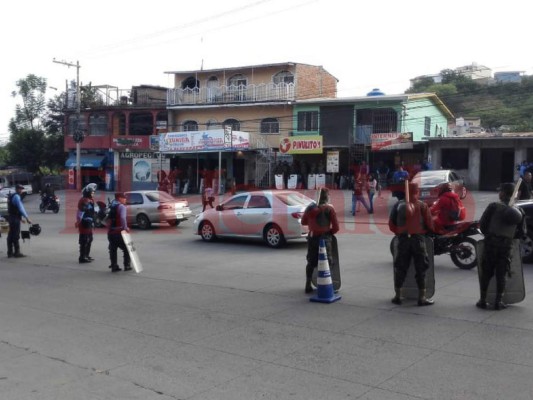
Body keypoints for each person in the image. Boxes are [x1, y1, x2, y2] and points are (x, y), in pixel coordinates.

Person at [477, 183, 526, 310]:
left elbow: (482, 224)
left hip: (491, 243)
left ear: (503, 193)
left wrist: (489, 235)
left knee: (486, 272)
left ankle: (483, 300)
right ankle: (498, 301)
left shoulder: (493, 206)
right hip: (506, 246)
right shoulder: (519, 211)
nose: (499, 193)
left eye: (500, 191)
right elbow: (522, 232)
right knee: (502, 273)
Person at [389, 182, 435, 306]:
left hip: (403, 240)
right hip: (418, 240)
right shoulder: (422, 206)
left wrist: (400, 233)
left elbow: (391, 224)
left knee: (401, 268)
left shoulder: (398, 205)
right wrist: (424, 231)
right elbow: (430, 224)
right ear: (417, 192)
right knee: (421, 269)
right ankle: (422, 297)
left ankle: (398, 296)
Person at [301, 188, 339, 294]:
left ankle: (308, 284)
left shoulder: (310, 208)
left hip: (312, 237)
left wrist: (313, 224)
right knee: (328, 262)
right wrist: (330, 232)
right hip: (325, 238)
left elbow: (304, 222)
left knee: (311, 262)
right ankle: (327, 285)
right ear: (326, 197)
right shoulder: (329, 209)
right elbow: (336, 227)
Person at [107, 192, 131, 273]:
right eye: (124, 198)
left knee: (113, 249)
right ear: (120, 198)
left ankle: (114, 266)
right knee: (127, 248)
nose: (125, 199)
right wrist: (125, 228)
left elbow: (107, 219)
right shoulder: (121, 206)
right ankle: (127, 265)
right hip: (119, 232)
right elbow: (122, 217)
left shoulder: (111, 206)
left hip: (111, 232)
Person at [6, 184, 32, 258]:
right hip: (14, 219)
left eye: (21, 189)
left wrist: (20, 219)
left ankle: (9, 252)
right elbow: (21, 208)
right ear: (17, 189)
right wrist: (27, 218)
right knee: (15, 235)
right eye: (20, 189)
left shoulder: (12, 196)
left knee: (10, 235)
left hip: (11, 218)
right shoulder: (17, 196)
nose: (21, 190)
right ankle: (17, 253)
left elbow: (14, 209)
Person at [76, 183, 96, 263]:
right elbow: (80, 212)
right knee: (84, 240)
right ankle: (82, 257)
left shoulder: (90, 200)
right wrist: (78, 221)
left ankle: (86, 255)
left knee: (90, 239)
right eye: (92, 192)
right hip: (84, 222)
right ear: (88, 193)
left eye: (93, 192)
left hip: (89, 222)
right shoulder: (84, 200)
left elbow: (93, 211)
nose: (93, 194)